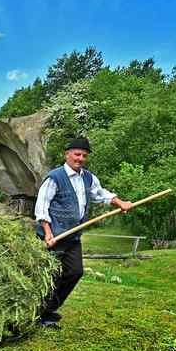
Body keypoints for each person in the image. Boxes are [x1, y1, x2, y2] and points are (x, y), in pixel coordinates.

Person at [34, 137, 134, 329]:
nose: (80, 158)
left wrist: (120, 203)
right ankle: (39, 314)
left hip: (73, 237)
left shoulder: (88, 177)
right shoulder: (55, 177)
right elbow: (42, 207)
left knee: (75, 272)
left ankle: (48, 310)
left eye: (84, 156)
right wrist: (47, 232)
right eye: (77, 154)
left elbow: (101, 194)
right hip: (53, 237)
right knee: (51, 276)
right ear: (67, 154)